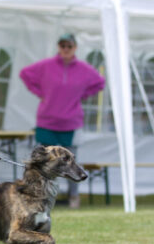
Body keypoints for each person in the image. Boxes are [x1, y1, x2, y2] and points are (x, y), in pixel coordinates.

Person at [19, 33, 105, 208]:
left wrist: (83, 95)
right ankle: (35, 196)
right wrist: (39, 92)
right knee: (40, 162)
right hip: (46, 122)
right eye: (63, 46)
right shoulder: (46, 65)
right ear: (59, 47)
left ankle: (73, 197)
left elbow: (100, 83)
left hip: (70, 123)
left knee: (72, 162)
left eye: (69, 46)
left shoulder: (84, 69)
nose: (66, 49)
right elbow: (24, 74)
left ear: (75, 48)